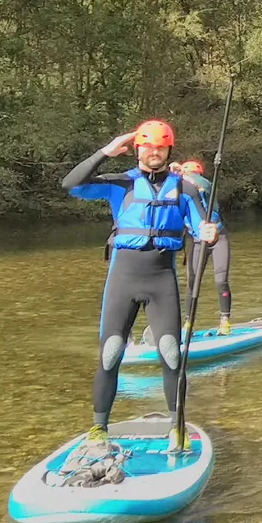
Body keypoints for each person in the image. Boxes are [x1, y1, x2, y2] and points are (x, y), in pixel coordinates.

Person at [61, 120, 218, 448]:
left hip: (162, 278)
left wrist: (208, 234)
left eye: (160, 147)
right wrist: (106, 151)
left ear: (168, 150)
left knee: (171, 354)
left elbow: (202, 227)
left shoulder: (185, 189)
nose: (154, 152)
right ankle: (99, 428)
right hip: (123, 278)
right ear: (137, 150)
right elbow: (70, 183)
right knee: (110, 353)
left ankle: (177, 425)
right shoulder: (120, 184)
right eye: (147, 147)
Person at [173, 159, 235, 335]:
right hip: (198, 241)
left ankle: (225, 321)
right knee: (193, 282)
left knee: (220, 280)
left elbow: (199, 183)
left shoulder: (206, 186)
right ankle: (189, 323)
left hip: (218, 238)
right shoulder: (183, 195)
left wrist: (182, 174)